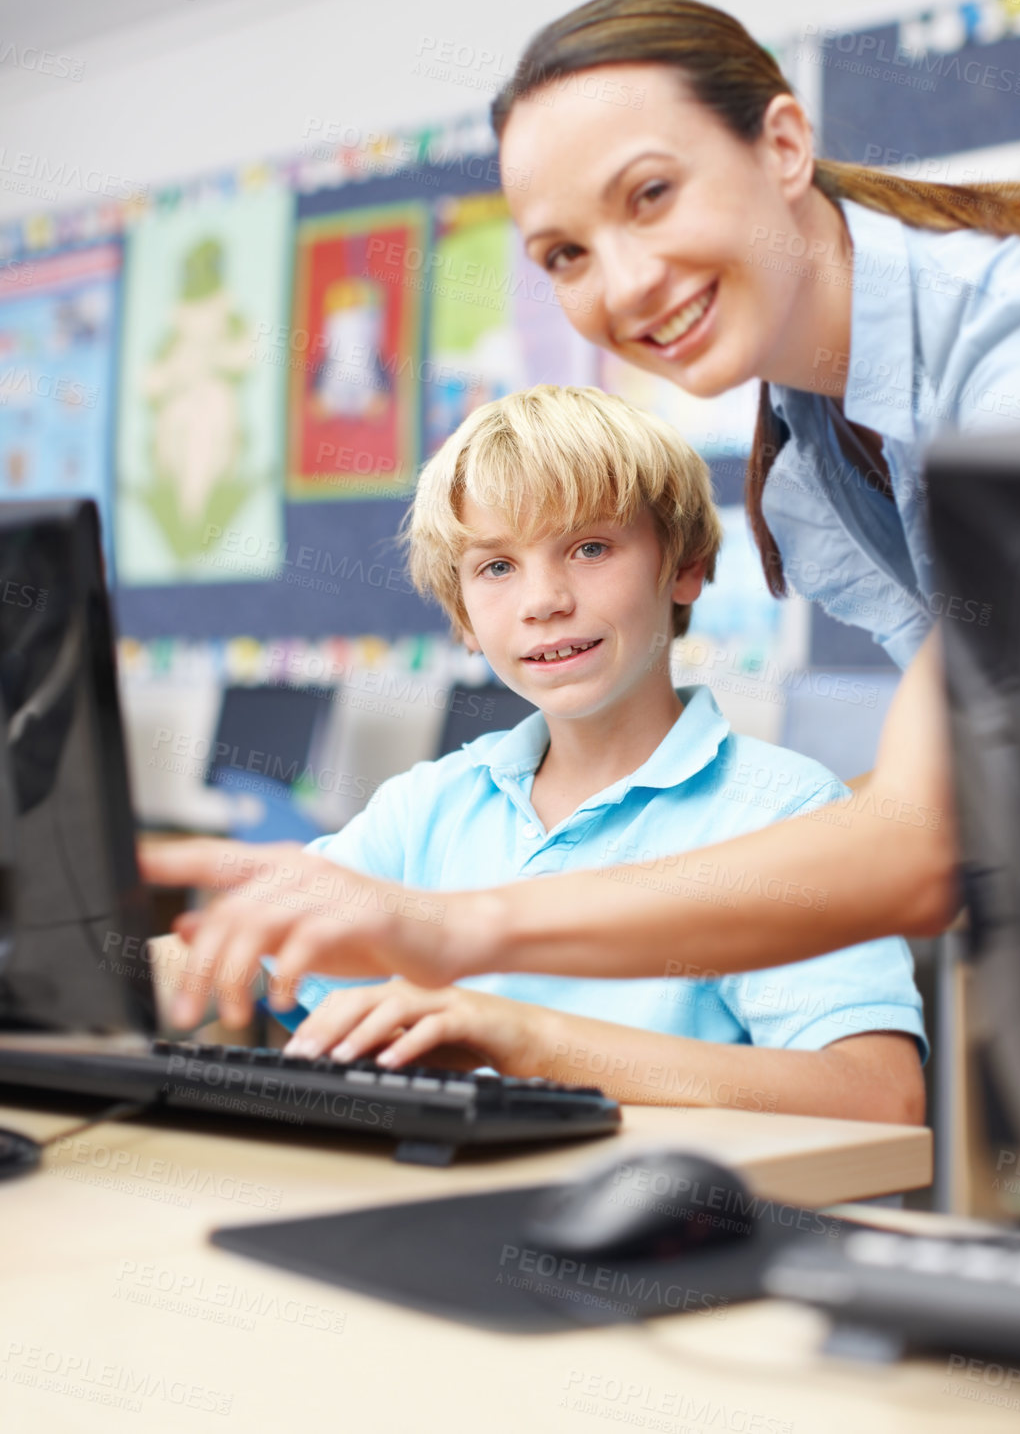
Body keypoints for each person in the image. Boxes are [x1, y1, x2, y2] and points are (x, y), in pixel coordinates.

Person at [145, 0, 1020, 1007]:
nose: (621, 285)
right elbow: (982, 776)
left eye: (650, 194)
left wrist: (462, 926)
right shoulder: (811, 465)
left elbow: (925, 841)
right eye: (565, 256)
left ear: (783, 144)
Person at [158, 385, 926, 1121]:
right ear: (462, 615)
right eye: (496, 567)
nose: (543, 600)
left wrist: (531, 1042)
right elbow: (230, 959)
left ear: (686, 566)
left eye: (590, 547)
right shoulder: (429, 806)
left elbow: (876, 1097)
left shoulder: (786, 814)